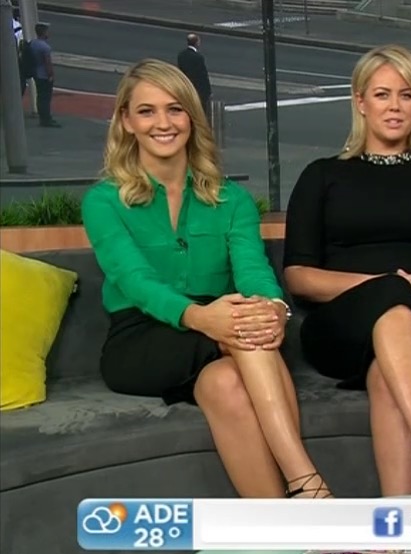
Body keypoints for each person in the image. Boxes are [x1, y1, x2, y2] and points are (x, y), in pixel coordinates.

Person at [82, 59, 331, 499]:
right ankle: (307, 482)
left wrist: (273, 307)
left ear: (191, 118)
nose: (163, 123)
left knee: (226, 381)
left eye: (175, 109)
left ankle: (281, 526)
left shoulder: (231, 199)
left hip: (222, 329)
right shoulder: (103, 201)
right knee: (240, 326)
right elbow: (135, 280)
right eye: (147, 111)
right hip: (141, 336)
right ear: (126, 121)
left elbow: (253, 270)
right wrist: (201, 318)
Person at [283, 45, 411, 496]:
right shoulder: (321, 176)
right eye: (382, 94)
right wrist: (386, 285)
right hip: (342, 326)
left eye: (406, 95)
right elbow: (298, 276)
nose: (395, 106)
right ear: (360, 102)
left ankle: (400, 525)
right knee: (392, 302)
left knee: (386, 373)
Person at [28, 23, 58, 127]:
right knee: (46, 98)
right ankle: (46, 119)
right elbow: (47, 63)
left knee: (40, 97)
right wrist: (51, 75)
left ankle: (43, 118)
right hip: (44, 76)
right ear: (44, 32)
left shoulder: (33, 43)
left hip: (36, 73)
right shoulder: (45, 47)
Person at [177, 34, 212, 120]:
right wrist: (208, 91)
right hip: (197, 88)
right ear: (197, 43)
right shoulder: (198, 57)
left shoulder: (181, 55)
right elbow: (203, 75)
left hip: (186, 86)